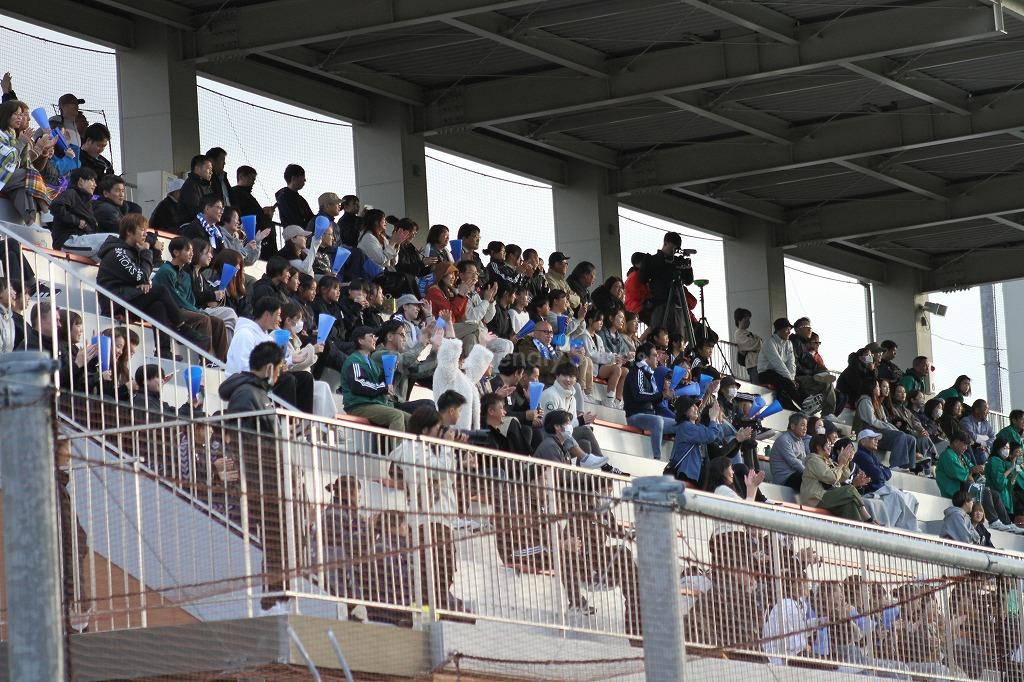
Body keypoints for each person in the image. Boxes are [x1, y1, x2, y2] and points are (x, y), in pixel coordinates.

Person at [218, 341, 285, 611]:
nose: (279, 374)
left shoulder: (257, 394)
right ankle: (272, 599)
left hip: (268, 480)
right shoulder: (247, 394)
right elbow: (236, 435)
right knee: (273, 542)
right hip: (260, 481)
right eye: (279, 369)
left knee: (279, 543)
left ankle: (276, 596)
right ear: (269, 368)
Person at [386, 406, 465, 611]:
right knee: (436, 571)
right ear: (424, 430)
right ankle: (430, 612)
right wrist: (447, 446)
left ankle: (436, 609)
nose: (440, 433)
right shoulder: (413, 448)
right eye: (438, 429)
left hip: (436, 520)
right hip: (429, 521)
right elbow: (439, 471)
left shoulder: (420, 449)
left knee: (443, 570)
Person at [96, 215, 199, 356]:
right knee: (160, 291)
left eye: (146, 230)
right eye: (141, 230)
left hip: (126, 298)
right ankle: (182, 327)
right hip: (114, 302)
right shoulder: (118, 252)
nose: (145, 234)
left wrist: (143, 282)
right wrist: (146, 252)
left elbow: (141, 278)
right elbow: (141, 276)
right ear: (129, 232)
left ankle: (164, 352)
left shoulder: (132, 251)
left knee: (158, 306)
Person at [225, 296, 315, 413]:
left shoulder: (267, 338)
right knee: (287, 379)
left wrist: (290, 361)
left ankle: (303, 421)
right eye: (278, 315)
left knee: (305, 378)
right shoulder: (245, 334)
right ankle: (285, 419)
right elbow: (243, 367)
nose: (280, 319)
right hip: (243, 383)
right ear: (267, 315)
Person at [151, 236, 227, 360]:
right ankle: (206, 360)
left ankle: (222, 362)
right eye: (188, 250)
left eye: (192, 250)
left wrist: (198, 310)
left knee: (218, 322)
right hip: (170, 312)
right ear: (176, 252)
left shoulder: (185, 275)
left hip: (184, 311)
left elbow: (191, 300)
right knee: (204, 319)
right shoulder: (166, 271)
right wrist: (199, 312)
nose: (192, 253)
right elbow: (175, 299)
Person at [340, 326, 410, 431]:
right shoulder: (354, 360)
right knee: (397, 416)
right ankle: (398, 443)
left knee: (412, 420)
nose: (375, 339)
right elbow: (359, 384)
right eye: (371, 336)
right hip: (358, 405)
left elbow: (378, 384)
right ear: (361, 341)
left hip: (374, 404)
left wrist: (391, 372)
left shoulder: (372, 363)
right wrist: (384, 387)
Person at [852, 429, 920, 531]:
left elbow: (888, 473)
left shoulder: (871, 455)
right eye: (873, 438)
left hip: (881, 489)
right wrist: (881, 469)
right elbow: (879, 476)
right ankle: (905, 529)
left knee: (910, 497)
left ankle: (907, 528)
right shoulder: (861, 455)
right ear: (863, 442)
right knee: (898, 497)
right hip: (873, 490)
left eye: (877, 439)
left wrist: (881, 470)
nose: (876, 441)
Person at [537, 362, 605, 459]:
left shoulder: (572, 399)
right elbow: (552, 425)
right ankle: (602, 462)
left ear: (576, 379)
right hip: (547, 435)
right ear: (557, 376)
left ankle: (586, 468)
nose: (568, 379)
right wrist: (580, 421)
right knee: (585, 430)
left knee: (585, 444)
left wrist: (581, 421)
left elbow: (570, 425)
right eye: (564, 375)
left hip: (562, 435)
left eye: (571, 376)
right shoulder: (550, 394)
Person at [801, 435, 875, 522]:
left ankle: (858, 528)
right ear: (818, 447)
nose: (830, 447)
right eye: (828, 444)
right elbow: (832, 478)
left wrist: (845, 461)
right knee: (850, 489)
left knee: (849, 505)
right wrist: (841, 463)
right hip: (816, 499)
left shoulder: (827, 461)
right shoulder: (813, 460)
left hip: (827, 497)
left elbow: (842, 477)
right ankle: (868, 518)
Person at [623, 342, 677, 460]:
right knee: (658, 421)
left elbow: (653, 400)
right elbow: (639, 395)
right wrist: (661, 395)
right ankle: (657, 458)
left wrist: (664, 396)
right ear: (644, 357)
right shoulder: (636, 372)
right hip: (635, 416)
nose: (657, 358)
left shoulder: (650, 375)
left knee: (681, 424)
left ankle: (673, 460)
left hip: (649, 416)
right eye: (654, 355)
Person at [431, 331, 493, 431]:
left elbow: (476, 367)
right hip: (450, 429)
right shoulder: (445, 372)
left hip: (466, 430)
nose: (463, 361)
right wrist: (449, 324)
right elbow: (450, 352)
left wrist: (483, 343)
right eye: (460, 359)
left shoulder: (462, 376)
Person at [853, 379, 918, 471]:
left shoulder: (878, 404)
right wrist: (890, 428)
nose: (879, 388)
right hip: (867, 434)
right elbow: (872, 421)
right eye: (877, 386)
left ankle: (908, 468)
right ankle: (896, 465)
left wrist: (893, 428)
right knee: (900, 436)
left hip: (878, 432)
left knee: (911, 439)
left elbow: (885, 421)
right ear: (871, 388)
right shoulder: (865, 401)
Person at [756, 318, 809, 412]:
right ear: (779, 330)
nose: (789, 332)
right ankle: (803, 406)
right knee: (785, 382)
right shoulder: (769, 343)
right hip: (765, 374)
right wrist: (790, 379)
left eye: (790, 329)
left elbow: (791, 363)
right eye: (786, 329)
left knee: (798, 382)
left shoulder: (788, 343)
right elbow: (778, 363)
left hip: (780, 373)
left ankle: (807, 403)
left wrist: (792, 378)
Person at [666, 396, 721, 484]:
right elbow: (710, 435)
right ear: (684, 411)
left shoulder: (697, 427)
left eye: (696, 405)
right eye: (692, 406)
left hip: (695, 473)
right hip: (686, 473)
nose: (696, 408)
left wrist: (716, 419)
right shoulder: (685, 427)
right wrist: (713, 418)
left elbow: (718, 436)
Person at [228, 165, 277, 260]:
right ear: (241, 177)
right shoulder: (236, 193)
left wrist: (264, 213)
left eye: (254, 179)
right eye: (251, 178)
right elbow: (243, 214)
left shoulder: (246, 195)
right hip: (251, 237)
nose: (253, 182)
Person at [791, 318, 835, 415]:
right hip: (797, 378)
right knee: (825, 384)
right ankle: (827, 413)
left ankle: (816, 406)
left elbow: (812, 363)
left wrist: (823, 371)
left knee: (828, 383)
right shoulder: (793, 342)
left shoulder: (802, 344)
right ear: (797, 329)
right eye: (806, 326)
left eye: (810, 326)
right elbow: (794, 365)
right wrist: (812, 373)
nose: (810, 329)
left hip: (805, 376)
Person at [49, 166, 99, 250]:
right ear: (81, 181)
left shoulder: (88, 202)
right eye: (92, 180)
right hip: (67, 240)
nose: (95, 185)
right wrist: (77, 222)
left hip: (81, 240)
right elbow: (55, 207)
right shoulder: (71, 193)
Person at [770, 413, 808, 491]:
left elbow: (804, 460)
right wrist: (809, 473)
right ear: (793, 426)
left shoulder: (800, 441)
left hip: (796, 474)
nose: (805, 428)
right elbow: (794, 462)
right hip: (784, 478)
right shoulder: (784, 440)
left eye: (806, 426)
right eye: (802, 425)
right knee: (810, 480)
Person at [175, 154, 213, 226]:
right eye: (209, 169)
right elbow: (195, 211)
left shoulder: (206, 186)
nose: (211, 172)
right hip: (192, 227)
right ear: (197, 168)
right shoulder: (190, 186)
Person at [275, 163, 314, 228]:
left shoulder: (300, 198)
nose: (305, 180)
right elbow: (295, 220)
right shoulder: (284, 198)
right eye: (303, 177)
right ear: (294, 178)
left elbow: (311, 217)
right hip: (296, 233)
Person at [959, 398, 995, 465]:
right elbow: (972, 437)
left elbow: (993, 438)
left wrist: (983, 444)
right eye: (986, 409)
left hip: (985, 451)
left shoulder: (986, 423)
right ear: (977, 410)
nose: (988, 412)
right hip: (970, 451)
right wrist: (986, 438)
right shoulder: (966, 421)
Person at [732, 307, 761, 384]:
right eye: (746, 319)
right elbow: (752, 344)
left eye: (749, 319)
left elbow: (758, 342)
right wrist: (758, 340)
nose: (748, 322)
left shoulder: (748, 332)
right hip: (752, 363)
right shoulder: (738, 333)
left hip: (758, 362)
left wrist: (758, 341)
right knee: (756, 385)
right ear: (739, 320)